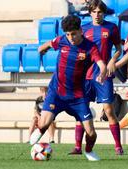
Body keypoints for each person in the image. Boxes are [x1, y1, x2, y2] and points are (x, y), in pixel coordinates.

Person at [29, 14, 107, 161]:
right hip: (56, 92)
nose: (71, 37)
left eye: (74, 34)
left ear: (81, 31)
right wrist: (42, 49)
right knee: (44, 124)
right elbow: (49, 44)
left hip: (77, 97)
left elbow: (101, 64)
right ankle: (40, 131)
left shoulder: (90, 47)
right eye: (68, 34)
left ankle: (89, 151)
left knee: (91, 133)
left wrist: (102, 73)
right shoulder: (62, 40)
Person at [69, 0, 124, 155]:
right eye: (94, 12)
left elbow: (119, 49)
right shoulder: (83, 29)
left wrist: (113, 60)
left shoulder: (111, 28)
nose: (97, 14)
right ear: (90, 12)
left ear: (103, 13)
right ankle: (78, 147)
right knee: (81, 111)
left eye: (100, 12)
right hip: (84, 76)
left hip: (103, 75)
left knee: (108, 110)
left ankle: (118, 146)